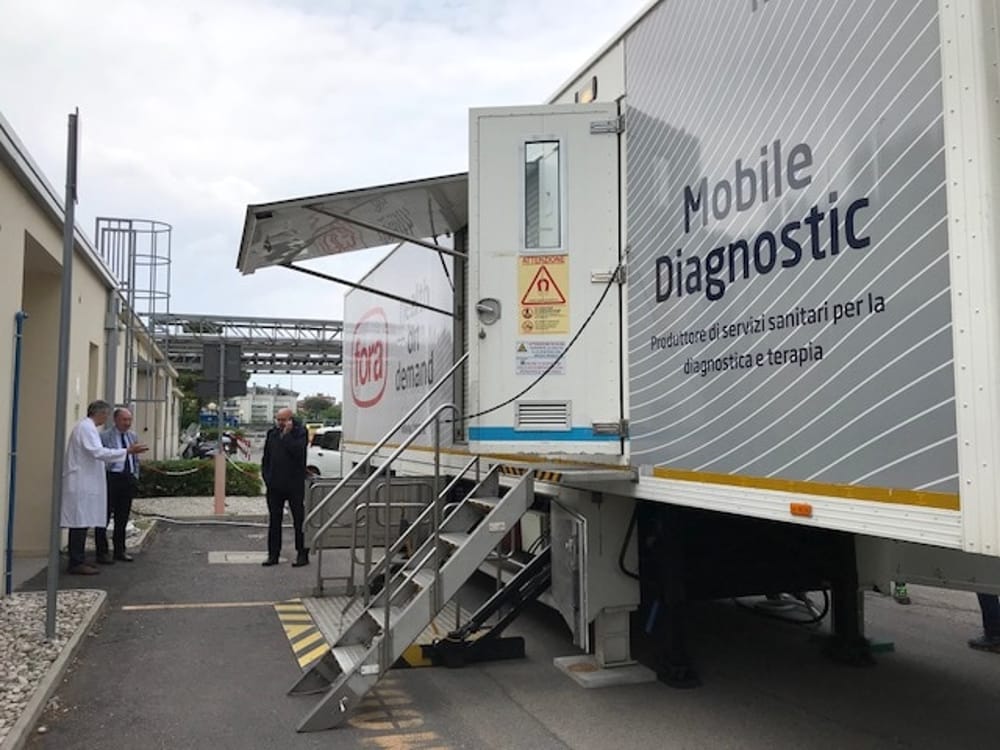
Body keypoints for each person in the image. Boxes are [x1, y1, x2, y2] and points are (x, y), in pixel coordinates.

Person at [61, 400, 147, 575]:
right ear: (99, 413)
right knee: (80, 522)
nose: (105, 418)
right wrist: (126, 451)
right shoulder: (86, 428)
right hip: (82, 482)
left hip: (89, 482)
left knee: (84, 520)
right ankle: (76, 561)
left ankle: (79, 558)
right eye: (106, 415)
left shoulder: (88, 428)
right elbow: (98, 452)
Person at [261, 407, 309, 567]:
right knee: (274, 520)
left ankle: (302, 553)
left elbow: (298, 452)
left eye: (283, 420)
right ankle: (273, 554)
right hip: (275, 484)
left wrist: (287, 435)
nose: (280, 423)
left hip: (294, 484)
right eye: (278, 420)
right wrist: (267, 476)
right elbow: (266, 457)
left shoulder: (300, 433)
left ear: (290, 419)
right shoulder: (272, 434)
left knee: (299, 520)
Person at [99, 407, 141, 563]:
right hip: (111, 477)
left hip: (127, 477)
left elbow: (135, 459)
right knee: (103, 516)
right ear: (115, 420)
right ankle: (102, 552)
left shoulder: (132, 436)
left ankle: (120, 550)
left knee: (122, 517)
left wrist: (135, 475)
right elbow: (101, 456)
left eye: (129, 420)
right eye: (124, 420)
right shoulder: (105, 436)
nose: (127, 423)